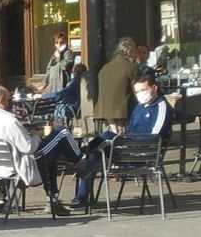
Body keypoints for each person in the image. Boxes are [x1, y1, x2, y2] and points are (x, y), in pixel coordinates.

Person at [72, 73, 173, 206]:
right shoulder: (139, 107)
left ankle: (78, 155)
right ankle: (81, 197)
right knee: (93, 156)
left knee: (107, 137)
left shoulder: (161, 107)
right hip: (127, 148)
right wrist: (124, 140)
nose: (140, 94)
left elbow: (156, 136)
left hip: (144, 153)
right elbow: (130, 129)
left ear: (154, 88)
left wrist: (126, 142)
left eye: (143, 90)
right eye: (137, 91)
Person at [0, 85, 71, 216]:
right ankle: (52, 200)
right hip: (18, 165)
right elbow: (28, 147)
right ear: (1, 101)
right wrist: (37, 136)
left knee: (46, 152)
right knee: (57, 140)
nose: (12, 102)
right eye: (9, 99)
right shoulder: (9, 121)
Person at [95, 37, 142, 130]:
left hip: (102, 109)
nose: (137, 55)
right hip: (121, 110)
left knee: (114, 133)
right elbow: (138, 91)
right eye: (136, 52)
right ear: (129, 52)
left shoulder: (105, 67)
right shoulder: (131, 67)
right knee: (121, 135)